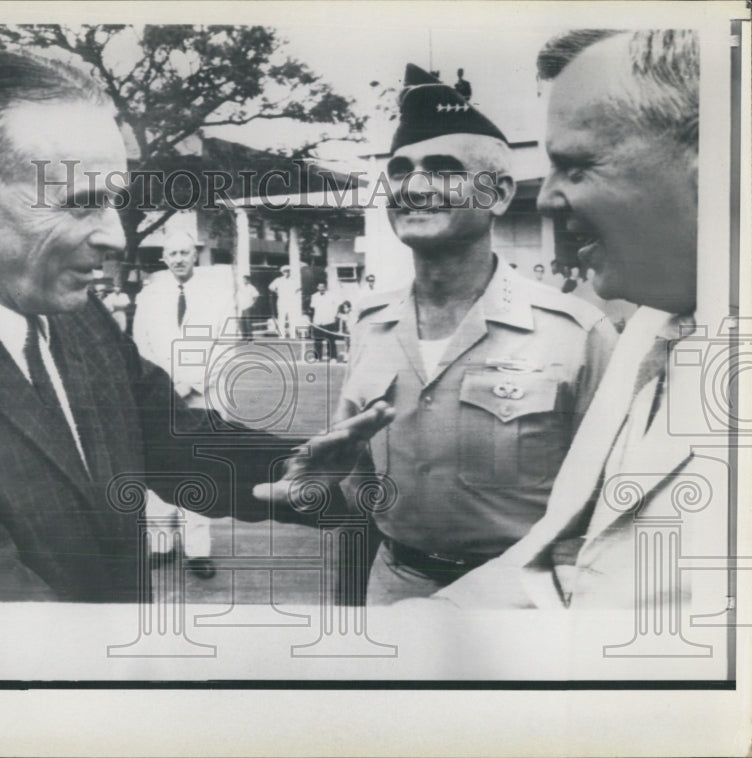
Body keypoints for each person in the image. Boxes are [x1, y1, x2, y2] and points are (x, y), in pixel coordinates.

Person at [0, 50, 294, 602]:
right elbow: (19, 644)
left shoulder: (78, 316)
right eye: (82, 204)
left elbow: (171, 437)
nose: (117, 238)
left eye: (113, 203)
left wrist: (314, 474)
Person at [261, 63, 618, 604]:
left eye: (443, 169)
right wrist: (314, 487)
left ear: (497, 195)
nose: (414, 187)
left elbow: (610, 507)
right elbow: (356, 483)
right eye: (401, 170)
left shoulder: (575, 333)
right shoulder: (370, 325)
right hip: (393, 585)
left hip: (522, 602)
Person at [430, 29, 725, 610]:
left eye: (577, 166)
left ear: (721, 160)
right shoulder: (656, 321)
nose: (545, 199)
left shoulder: (593, 325)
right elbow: (562, 564)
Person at [132, 231, 237, 576]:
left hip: (202, 395)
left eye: (184, 252)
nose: (178, 258)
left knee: (199, 471)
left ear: (196, 255)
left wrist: (192, 382)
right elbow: (139, 344)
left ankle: (197, 551)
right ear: (163, 257)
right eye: (172, 253)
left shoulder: (218, 295)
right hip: (160, 397)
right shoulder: (149, 295)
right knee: (160, 468)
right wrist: (161, 385)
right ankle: (161, 543)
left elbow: (227, 344)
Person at [309, 281, 341, 360]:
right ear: (317, 288)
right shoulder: (314, 296)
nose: (321, 289)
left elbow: (338, 305)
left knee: (330, 340)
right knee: (317, 341)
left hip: (329, 321)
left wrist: (334, 315)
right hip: (318, 321)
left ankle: (333, 357)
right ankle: (317, 357)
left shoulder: (332, 295)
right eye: (320, 287)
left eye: (323, 287)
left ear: (325, 287)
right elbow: (313, 308)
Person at [268, 265, 301, 338]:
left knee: (292, 318)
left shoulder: (294, 280)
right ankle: (281, 335)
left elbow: (298, 288)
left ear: (290, 272)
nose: (286, 273)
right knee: (281, 318)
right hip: (282, 301)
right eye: (285, 271)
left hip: (291, 301)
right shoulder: (278, 280)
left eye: (288, 271)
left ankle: (293, 335)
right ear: (282, 272)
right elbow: (270, 287)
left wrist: (293, 294)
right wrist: (277, 291)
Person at [236, 274, 260, 341]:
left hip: (248, 306)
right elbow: (237, 296)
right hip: (241, 307)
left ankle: (250, 336)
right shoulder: (240, 287)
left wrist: (253, 303)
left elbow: (256, 295)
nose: (244, 281)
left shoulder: (251, 287)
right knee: (241, 322)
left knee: (248, 321)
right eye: (243, 279)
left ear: (248, 280)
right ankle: (244, 336)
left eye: (246, 279)